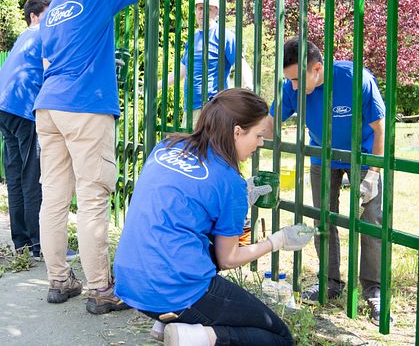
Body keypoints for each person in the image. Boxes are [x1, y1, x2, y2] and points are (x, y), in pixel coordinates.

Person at [34, 0, 195, 314]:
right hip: (85, 107)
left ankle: (59, 280)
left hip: (48, 107)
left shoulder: (53, 9)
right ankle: (101, 290)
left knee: (54, 197)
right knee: (92, 198)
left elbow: (45, 63)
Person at [114, 88, 313, 346]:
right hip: (173, 290)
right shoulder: (230, 182)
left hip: (131, 278)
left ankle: (165, 322)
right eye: (258, 135)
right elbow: (228, 259)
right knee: (279, 337)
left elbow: (181, 204)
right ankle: (192, 335)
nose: (261, 144)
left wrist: (240, 197)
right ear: (237, 131)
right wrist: (277, 241)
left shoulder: (169, 146)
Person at [267, 38, 389, 325]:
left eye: (297, 78)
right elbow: (271, 120)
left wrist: (373, 174)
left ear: (317, 68)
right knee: (323, 219)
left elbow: (380, 128)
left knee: (370, 219)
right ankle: (330, 282)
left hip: (363, 154)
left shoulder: (355, 78)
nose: (293, 87)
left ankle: (373, 289)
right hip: (322, 155)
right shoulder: (293, 86)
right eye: (289, 80)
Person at [0, 0, 77, 262]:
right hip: (23, 108)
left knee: (15, 175)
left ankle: (22, 243)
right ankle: (40, 244)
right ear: (35, 16)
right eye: (50, 14)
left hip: (1, 104)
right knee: (33, 175)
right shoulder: (45, 33)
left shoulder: (25, 36)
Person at [160, 0, 253, 126]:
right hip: (190, 108)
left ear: (216, 12)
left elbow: (241, 64)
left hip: (213, 107)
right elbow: (181, 72)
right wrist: (156, 86)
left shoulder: (225, 36)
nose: (202, 13)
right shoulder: (192, 39)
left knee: (209, 146)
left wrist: (248, 86)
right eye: (200, 8)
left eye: (208, 9)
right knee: (189, 146)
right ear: (196, 11)